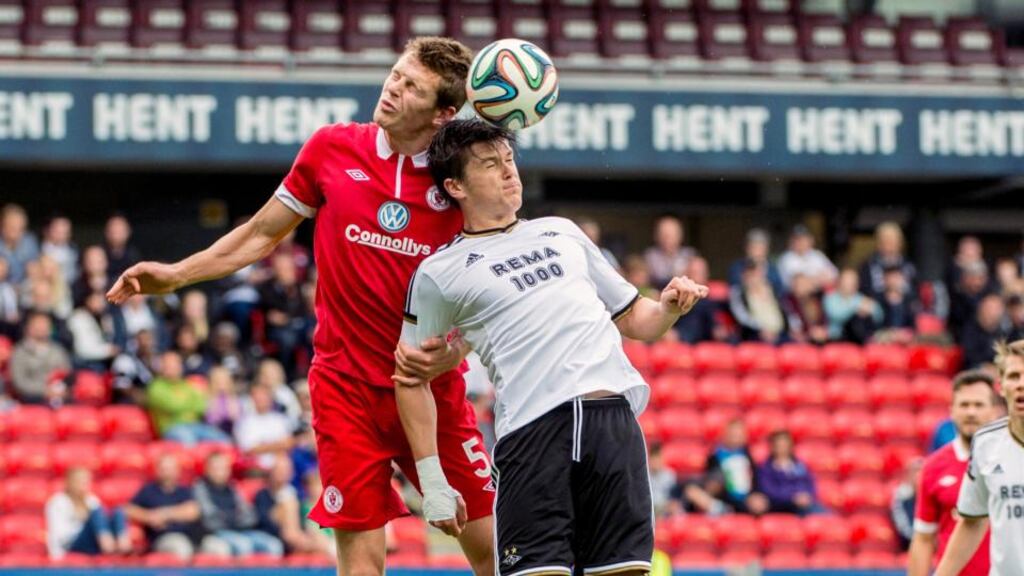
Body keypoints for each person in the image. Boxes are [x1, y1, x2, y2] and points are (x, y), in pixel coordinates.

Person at [106, 36, 495, 576]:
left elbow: (492, 280)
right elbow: (261, 234)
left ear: (442, 114)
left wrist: (458, 352)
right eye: (396, 75)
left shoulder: (462, 176)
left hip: (431, 389)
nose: (392, 89)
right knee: (360, 566)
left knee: (493, 549)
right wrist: (175, 275)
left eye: (412, 88)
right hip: (344, 390)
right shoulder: (332, 148)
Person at [396, 119, 708, 576]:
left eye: (509, 160)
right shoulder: (439, 272)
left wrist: (667, 308)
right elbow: (409, 377)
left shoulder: (562, 231)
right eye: (489, 164)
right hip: (532, 435)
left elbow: (635, 320)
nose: (508, 172)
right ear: (454, 185)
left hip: (612, 425)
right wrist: (433, 481)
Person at [935, 340, 1024, 576]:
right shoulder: (987, 443)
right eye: (1014, 376)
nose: (1021, 385)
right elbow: (972, 521)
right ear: (1001, 387)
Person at [908, 370, 1000, 576]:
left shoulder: (1013, 458)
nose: (971, 412)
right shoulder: (933, 467)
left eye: (978, 405)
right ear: (951, 410)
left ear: (994, 410)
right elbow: (923, 537)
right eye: (964, 405)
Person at [125, 453, 226, 561]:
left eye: (170, 468)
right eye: (164, 468)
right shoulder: (149, 491)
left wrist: (165, 514)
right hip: (165, 537)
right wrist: (149, 517)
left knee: (218, 547)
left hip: (193, 536)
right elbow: (128, 509)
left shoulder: (184, 491)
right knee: (182, 548)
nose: (167, 472)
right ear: (157, 470)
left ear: (177, 471)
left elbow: (194, 511)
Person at [193, 451, 284, 558]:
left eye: (223, 468)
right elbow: (210, 519)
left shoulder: (232, 488)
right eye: (216, 468)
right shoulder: (200, 488)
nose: (220, 472)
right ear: (207, 470)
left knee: (274, 545)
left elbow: (249, 515)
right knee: (243, 545)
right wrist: (234, 518)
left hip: (241, 531)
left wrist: (233, 519)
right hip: (215, 534)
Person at [46, 466, 131, 559]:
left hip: (94, 541)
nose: (84, 486)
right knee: (96, 512)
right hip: (73, 543)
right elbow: (57, 533)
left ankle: (124, 546)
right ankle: (108, 547)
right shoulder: (58, 502)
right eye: (80, 482)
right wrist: (55, 555)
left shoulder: (91, 500)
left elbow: (101, 524)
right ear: (70, 483)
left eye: (86, 482)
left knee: (118, 511)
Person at [10, 311, 70, 405]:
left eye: (45, 325)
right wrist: (45, 390)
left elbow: (67, 373)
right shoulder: (20, 352)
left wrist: (61, 389)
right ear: (29, 328)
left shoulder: (58, 350)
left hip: (59, 394)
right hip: (33, 397)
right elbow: (19, 382)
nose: (42, 328)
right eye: (38, 324)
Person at [757, 430, 820, 516]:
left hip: (804, 505)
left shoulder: (799, 465)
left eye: (785, 444)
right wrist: (792, 498)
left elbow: (810, 483)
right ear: (772, 447)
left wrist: (807, 496)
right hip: (780, 507)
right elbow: (769, 490)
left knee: (825, 517)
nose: (783, 448)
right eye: (779, 445)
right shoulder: (766, 468)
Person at [777, 225, 837, 292]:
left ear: (810, 240)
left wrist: (811, 280)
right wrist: (819, 278)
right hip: (793, 297)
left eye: (804, 239)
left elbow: (834, 274)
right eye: (797, 239)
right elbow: (799, 283)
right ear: (791, 241)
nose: (801, 242)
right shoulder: (786, 258)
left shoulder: (817, 254)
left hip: (819, 294)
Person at [644, 214, 696, 288]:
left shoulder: (690, 255)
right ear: (656, 236)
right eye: (664, 235)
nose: (667, 239)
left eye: (671, 235)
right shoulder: (649, 256)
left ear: (680, 236)